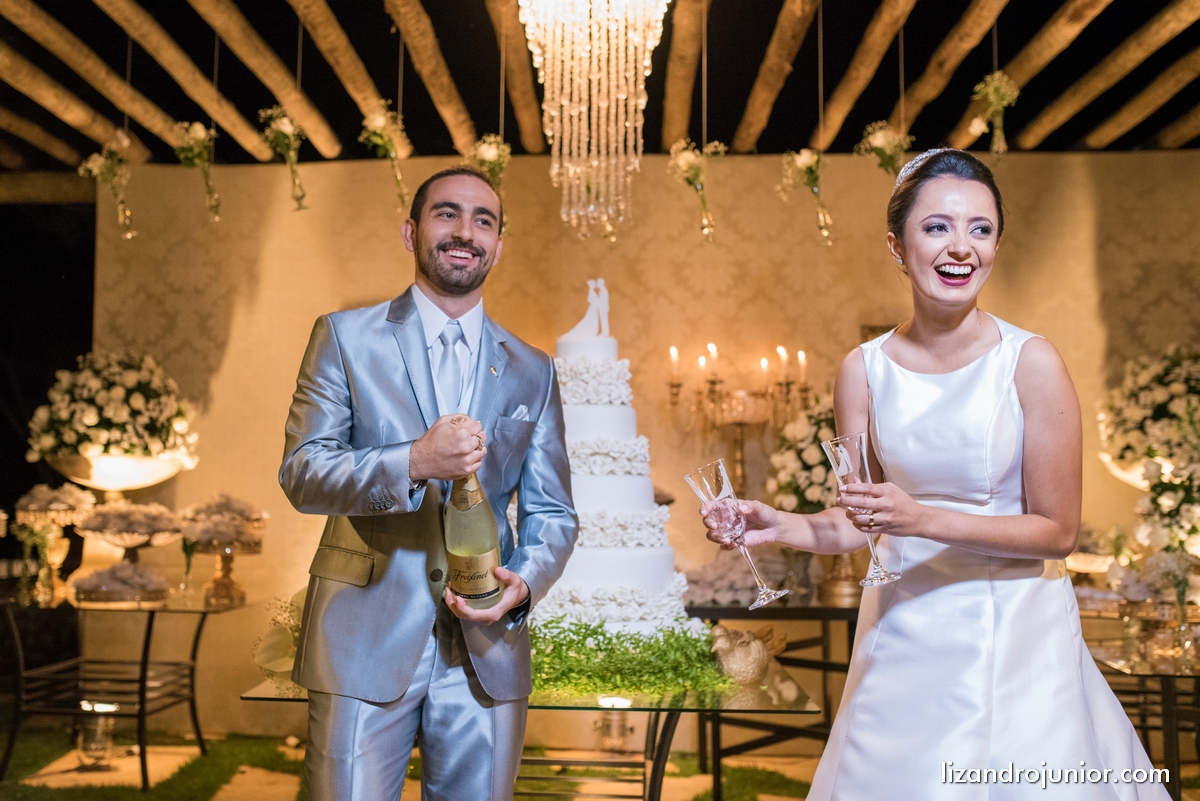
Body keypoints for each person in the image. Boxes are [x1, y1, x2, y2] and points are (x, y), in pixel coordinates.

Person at [702, 149, 1167, 799]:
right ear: (897, 245)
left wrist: (919, 518)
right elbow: (856, 520)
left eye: (981, 229)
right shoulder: (862, 370)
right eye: (937, 227)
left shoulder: (1031, 362)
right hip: (902, 632)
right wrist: (775, 523)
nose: (961, 247)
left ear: (996, 245)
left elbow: (1058, 532)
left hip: (1016, 632)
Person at [280, 166, 577, 801]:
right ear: (410, 231)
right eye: (447, 214)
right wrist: (413, 461)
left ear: (498, 244)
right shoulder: (344, 337)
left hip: (487, 646)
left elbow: (553, 512)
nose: (465, 231)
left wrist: (525, 582)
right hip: (363, 637)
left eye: (483, 220)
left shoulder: (534, 369)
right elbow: (303, 472)